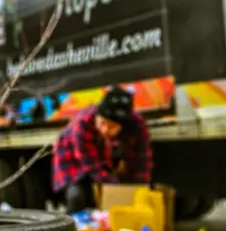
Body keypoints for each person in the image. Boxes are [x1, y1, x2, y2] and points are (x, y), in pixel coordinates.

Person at [52, 86, 152, 214]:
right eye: (102, 123)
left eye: (112, 127)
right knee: (76, 196)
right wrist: (113, 187)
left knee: (126, 193)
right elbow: (91, 165)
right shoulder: (83, 122)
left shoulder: (137, 126)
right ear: (97, 116)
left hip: (104, 156)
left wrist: (140, 189)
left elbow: (142, 162)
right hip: (72, 160)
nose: (105, 130)